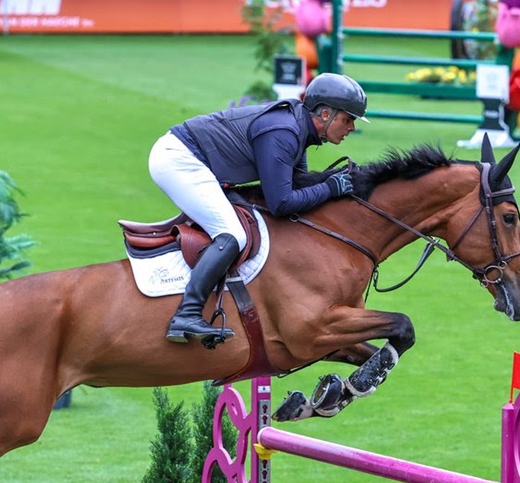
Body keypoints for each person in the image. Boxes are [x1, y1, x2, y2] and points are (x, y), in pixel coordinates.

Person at [150, 72, 368, 345]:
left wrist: (335, 181)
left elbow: (298, 184)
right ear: (324, 113)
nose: (351, 128)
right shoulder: (285, 132)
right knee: (232, 234)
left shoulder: (297, 129)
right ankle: (186, 314)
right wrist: (330, 188)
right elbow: (281, 203)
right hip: (179, 161)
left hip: (193, 159)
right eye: (348, 119)